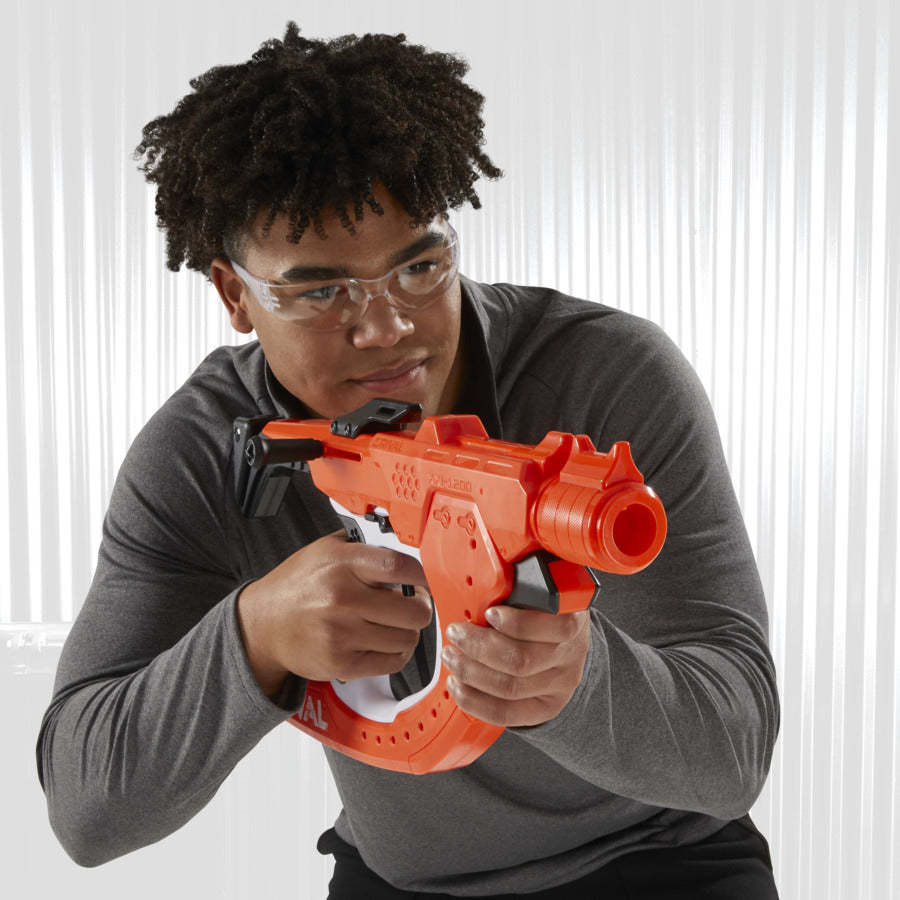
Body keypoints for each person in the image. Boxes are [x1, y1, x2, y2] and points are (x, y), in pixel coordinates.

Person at [36, 22, 781, 899]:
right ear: (234, 294)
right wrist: (257, 635)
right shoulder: (205, 449)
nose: (387, 327)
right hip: (400, 878)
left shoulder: (607, 375)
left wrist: (579, 682)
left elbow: (732, 758)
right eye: (320, 290)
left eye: (421, 267)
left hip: (666, 857)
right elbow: (86, 810)